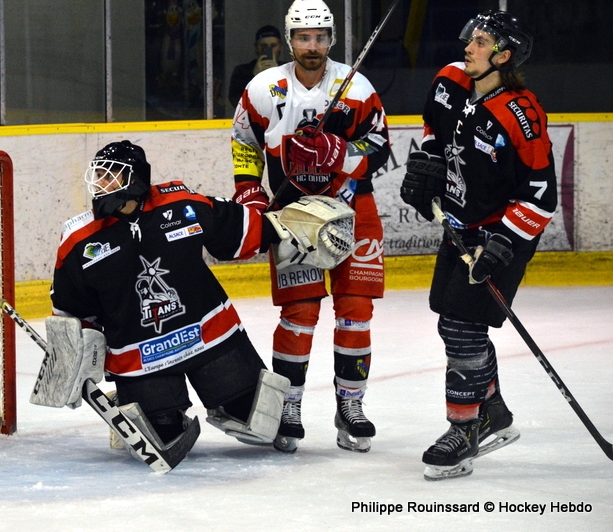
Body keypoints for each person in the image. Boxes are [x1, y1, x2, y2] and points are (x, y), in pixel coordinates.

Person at [49, 140, 354, 464]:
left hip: (211, 337)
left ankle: (177, 399)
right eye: (99, 176)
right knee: (162, 433)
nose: (101, 184)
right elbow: (71, 309)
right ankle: (127, 399)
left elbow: (236, 228)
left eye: (112, 176)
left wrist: (279, 228)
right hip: (140, 357)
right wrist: (76, 354)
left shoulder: (180, 206)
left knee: (260, 421)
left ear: (136, 180)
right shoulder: (79, 241)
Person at [400, 10, 557, 480]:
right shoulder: (449, 80)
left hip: (502, 234)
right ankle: (494, 410)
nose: (467, 46)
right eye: (470, 37)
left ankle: (464, 429)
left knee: (463, 326)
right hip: (460, 225)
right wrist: (427, 163)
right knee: (450, 322)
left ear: (503, 57)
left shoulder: (521, 114)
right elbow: (434, 127)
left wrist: (503, 241)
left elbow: (542, 195)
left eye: (481, 41)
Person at [230, 0, 391, 454]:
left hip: (352, 208)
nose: (312, 47)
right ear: (290, 40)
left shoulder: (355, 87)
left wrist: (338, 150)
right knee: (299, 315)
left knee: (356, 310)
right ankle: (289, 407)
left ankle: (350, 407)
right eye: (303, 38)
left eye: (320, 37)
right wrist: (250, 192)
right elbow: (244, 140)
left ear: (332, 39)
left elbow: (379, 145)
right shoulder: (264, 87)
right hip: (294, 213)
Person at [227, 25, 286, 108]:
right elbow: (236, 102)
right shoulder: (242, 71)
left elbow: (292, 101)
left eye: (273, 45)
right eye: (263, 46)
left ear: (280, 47)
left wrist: (277, 76)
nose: (268, 50)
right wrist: (253, 76)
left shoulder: (289, 70)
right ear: (256, 47)